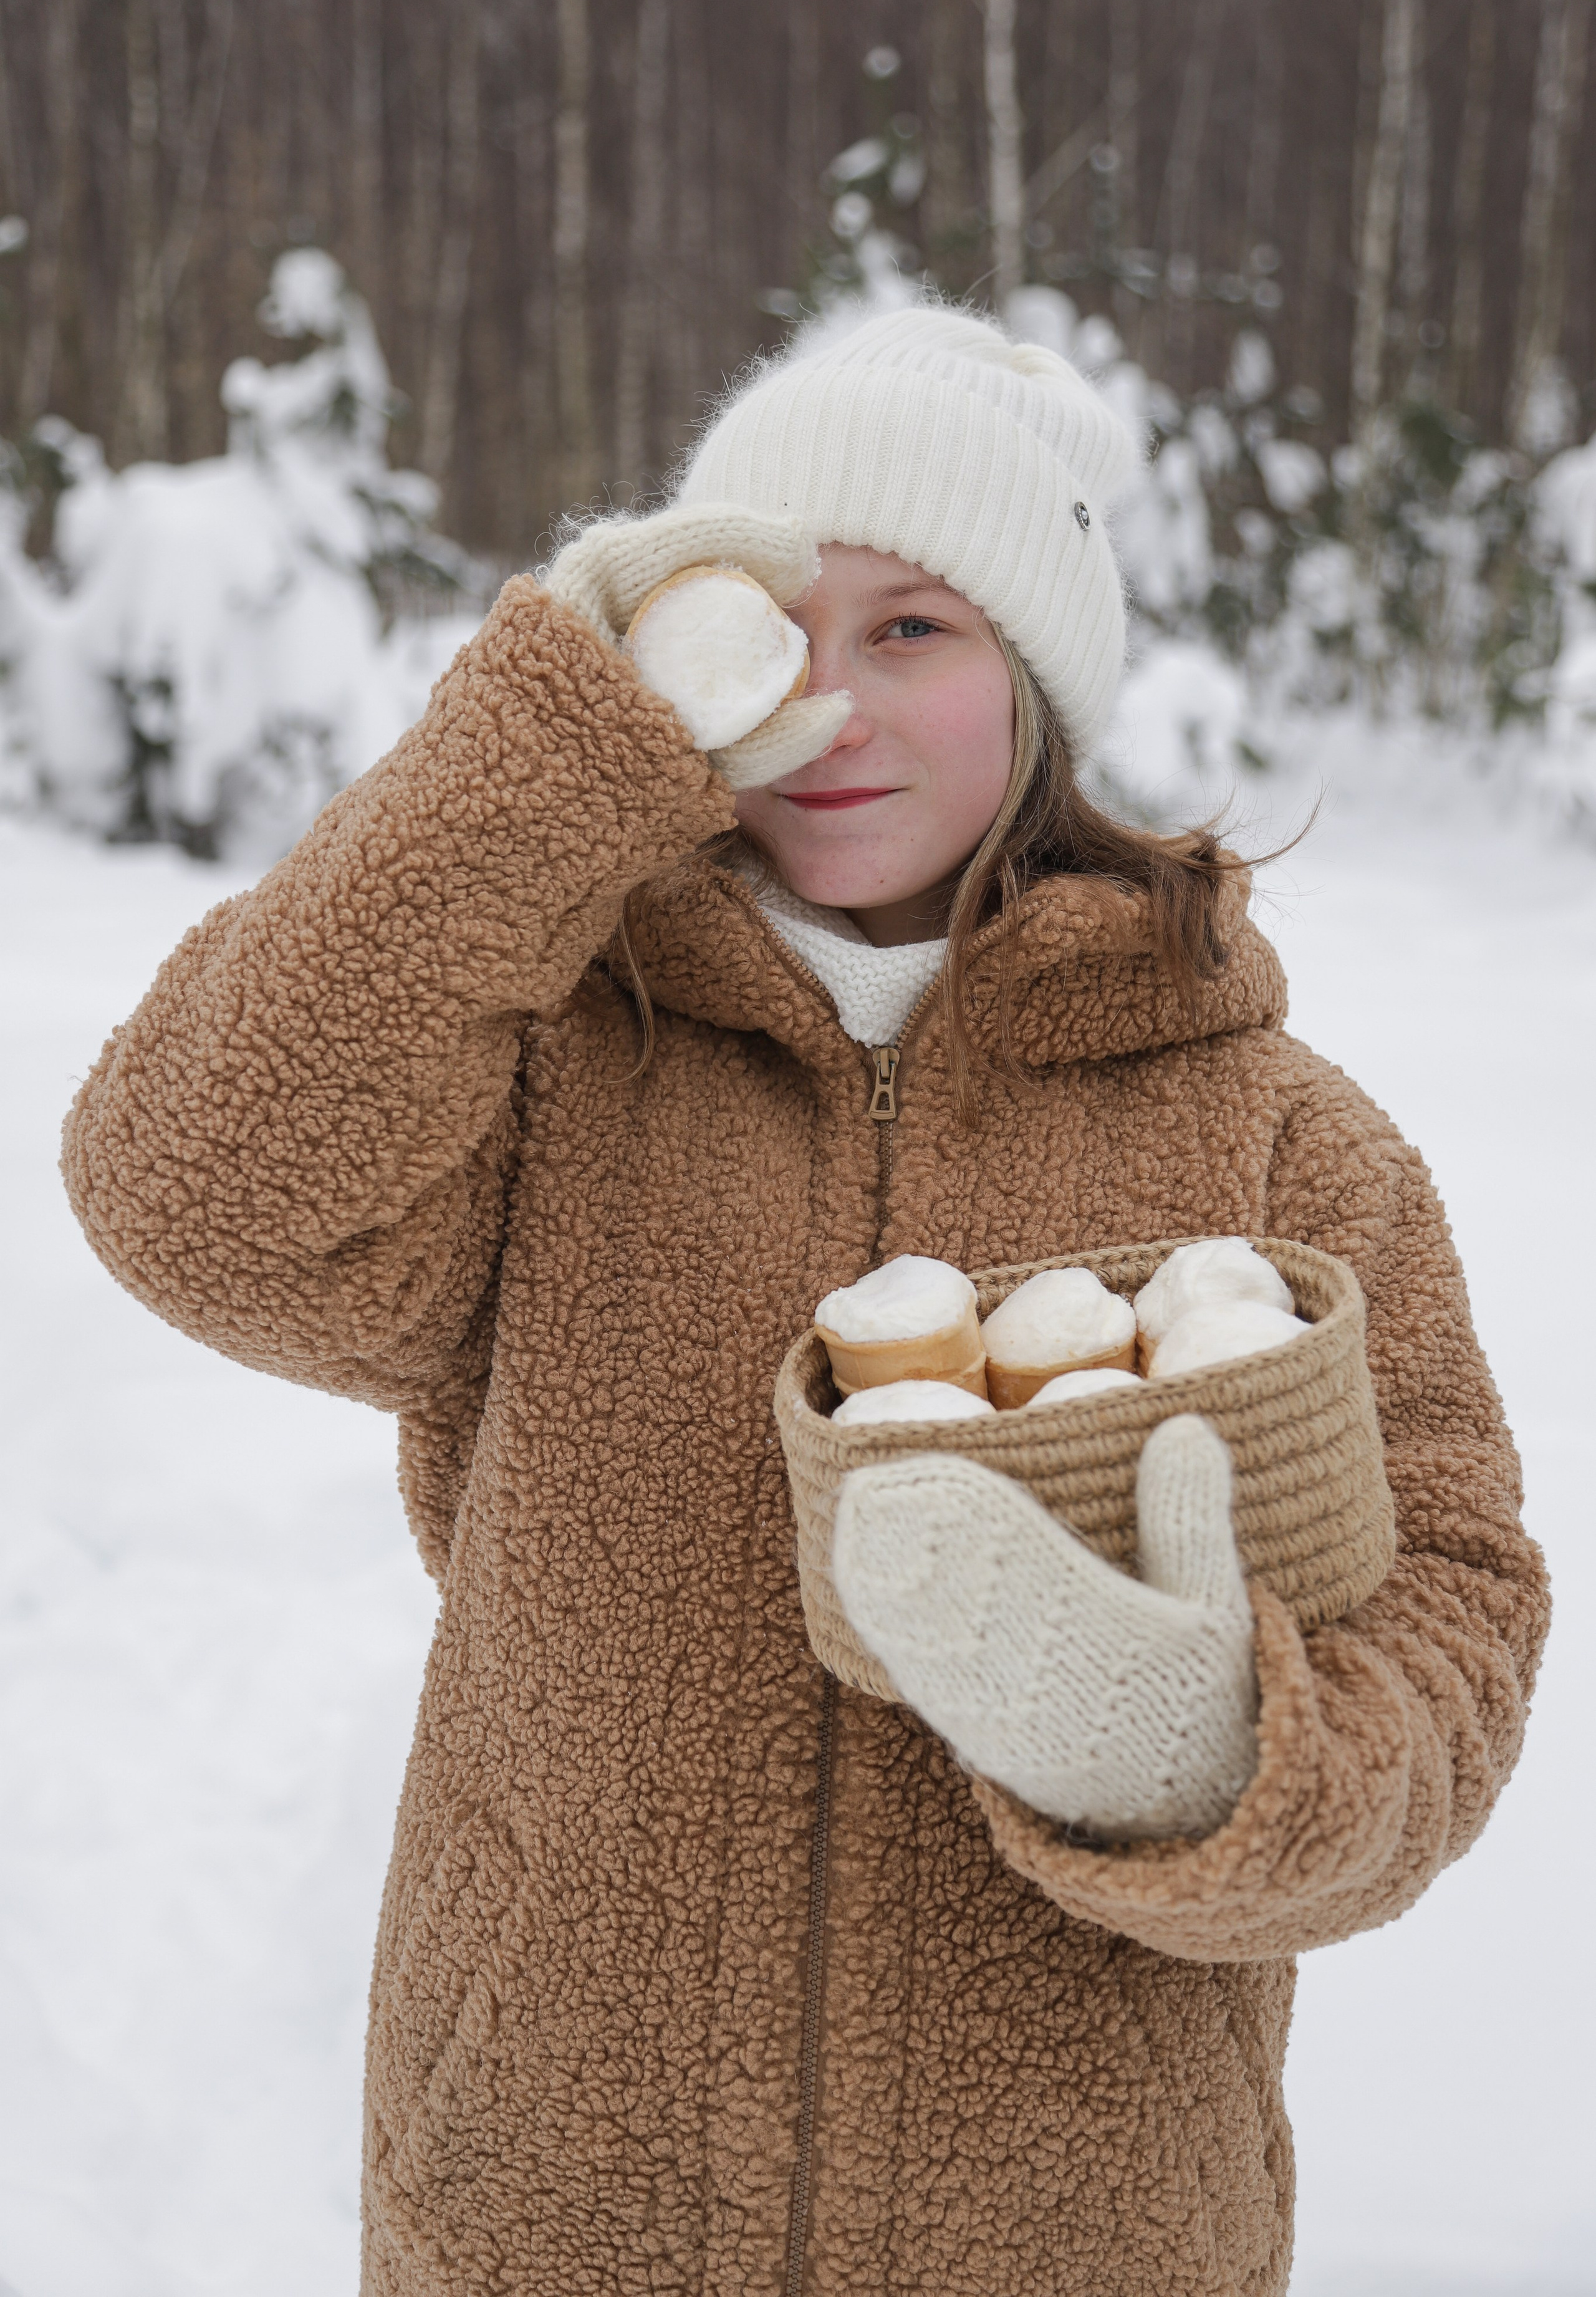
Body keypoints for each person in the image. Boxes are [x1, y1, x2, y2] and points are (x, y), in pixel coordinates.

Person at [62, 306, 1548, 2296]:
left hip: (1081, 2243)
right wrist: (539, 750)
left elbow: (1457, 1622)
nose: (829, 710)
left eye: (912, 631)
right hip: (545, 2219)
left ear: (1034, 674)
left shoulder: (1280, 1139)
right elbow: (195, 1196)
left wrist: (1208, 1760)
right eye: (772, 634)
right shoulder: (551, 1065)